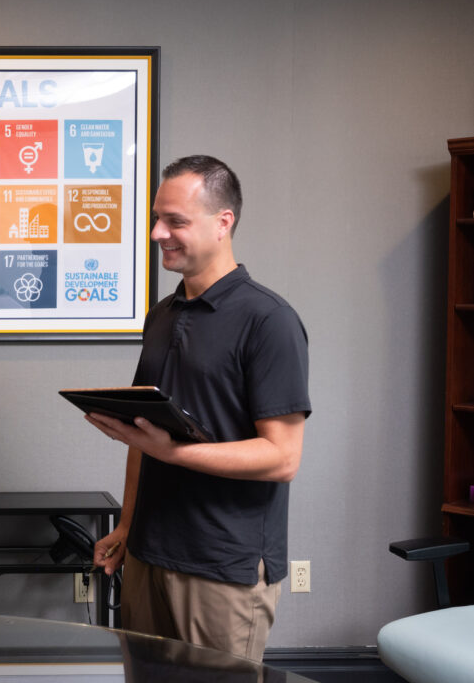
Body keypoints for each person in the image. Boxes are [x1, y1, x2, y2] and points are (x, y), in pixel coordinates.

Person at [87, 156, 311, 661]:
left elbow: (283, 458)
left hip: (222, 567)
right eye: (156, 219)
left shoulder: (269, 321)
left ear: (223, 222)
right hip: (148, 554)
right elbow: (144, 433)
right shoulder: (163, 315)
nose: (156, 233)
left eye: (175, 222)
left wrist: (172, 453)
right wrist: (126, 525)